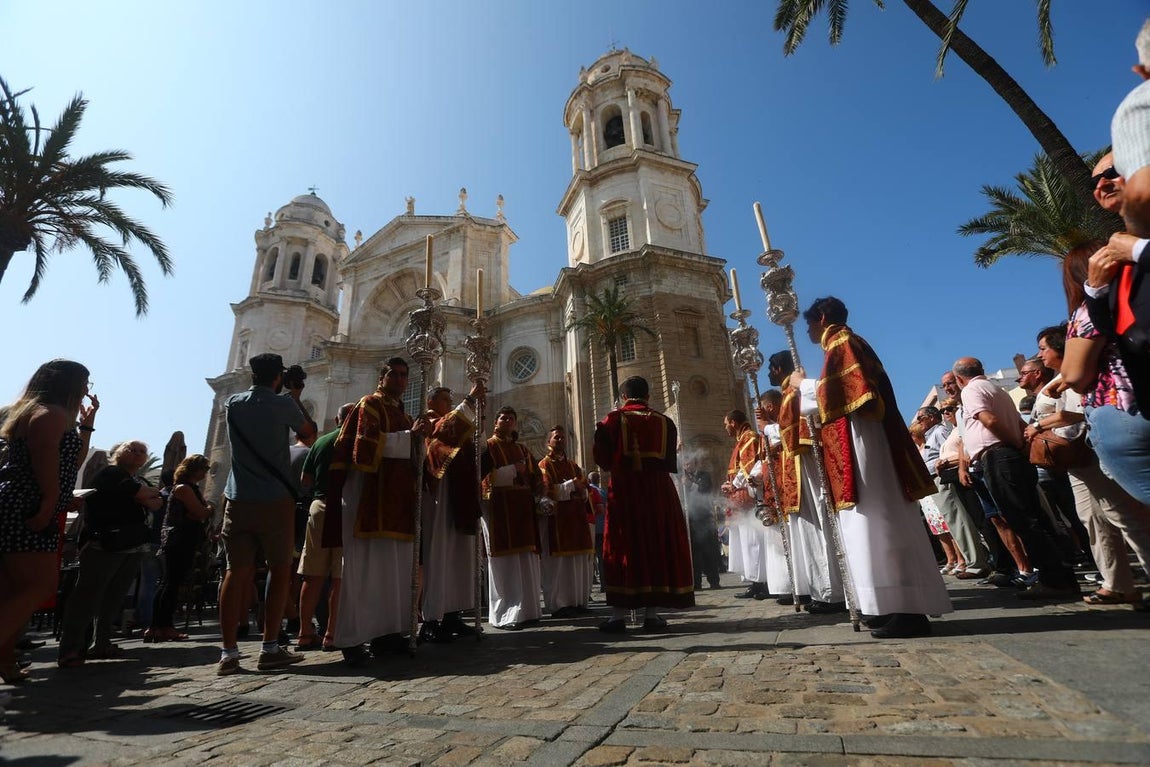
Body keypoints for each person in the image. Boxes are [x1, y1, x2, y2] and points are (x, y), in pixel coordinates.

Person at [797, 298, 952, 638]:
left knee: (878, 524)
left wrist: (802, 387)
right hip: (854, 444)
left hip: (865, 446)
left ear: (822, 318)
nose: (807, 331)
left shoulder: (843, 342)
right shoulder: (841, 345)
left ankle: (907, 610)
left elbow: (850, 392)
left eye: (808, 324)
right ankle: (885, 606)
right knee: (866, 529)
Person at [216, 353, 317, 676]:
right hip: (275, 499)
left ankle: (228, 653)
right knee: (279, 570)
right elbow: (308, 435)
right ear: (279, 377)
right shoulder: (283, 404)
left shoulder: (233, 403)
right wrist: (295, 398)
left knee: (235, 573)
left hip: (237, 497)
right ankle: (270, 647)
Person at [326, 358, 428, 664]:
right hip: (370, 502)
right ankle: (352, 638)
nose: (399, 379)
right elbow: (365, 451)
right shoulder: (369, 405)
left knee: (395, 574)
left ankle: (389, 634)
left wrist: (419, 440)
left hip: (398, 503)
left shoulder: (402, 414)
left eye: (403, 375)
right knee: (365, 574)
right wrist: (411, 437)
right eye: (393, 374)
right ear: (381, 377)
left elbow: (414, 459)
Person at [953, 356, 1079, 600]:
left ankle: (1053, 579)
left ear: (959, 379)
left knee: (1022, 519)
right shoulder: (995, 389)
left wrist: (1014, 443)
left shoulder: (971, 390)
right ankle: (1062, 577)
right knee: (1035, 517)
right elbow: (1018, 421)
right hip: (1010, 456)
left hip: (1000, 456)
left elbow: (989, 420)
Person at [0, 360, 94, 684]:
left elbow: (71, 460)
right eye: (84, 383)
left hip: (22, 502)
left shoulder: (38, 412)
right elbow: (45, 458)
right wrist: (50, 502)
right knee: (39, 585)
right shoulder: (51, 414)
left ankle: (7, 659)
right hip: (30, 504)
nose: (87, 389)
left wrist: (87, 426)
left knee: (14, 588)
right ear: (68, 384)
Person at [593, 376, 694, 632]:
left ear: (623, 397)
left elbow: (602, 459)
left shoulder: (612, 420)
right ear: (648, 397)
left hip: (625, 492)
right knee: (655, 544)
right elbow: (670, 461)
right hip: (659, 492)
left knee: (622, 546)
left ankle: (618, 616)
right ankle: (652, 614)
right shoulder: (666, 422)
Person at [58, 440, 163, 666]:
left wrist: (143, 495)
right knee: (87, 596)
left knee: (113, 598)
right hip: (103, 544)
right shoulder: (111, 474)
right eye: (131, 449)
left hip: (132, 546)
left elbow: (156, 502)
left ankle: (102, 643)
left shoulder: (136, 480)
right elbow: (148, 496)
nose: (137, 453)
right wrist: (144, 495)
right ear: (116, 453)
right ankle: (71, 649)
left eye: (142, 451)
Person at [420, 385, 482, 642]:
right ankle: (432, 619)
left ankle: (453, 614)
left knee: (459, 558)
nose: (450, 402)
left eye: (452, 399)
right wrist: (469, 400)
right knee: (439, 554)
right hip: (440, 495)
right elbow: (444, 433)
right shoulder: (427, 423)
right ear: (432, 401)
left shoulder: (452, 420)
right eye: (446, 398)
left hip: (460, 496)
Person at [294, 403, 354, 651]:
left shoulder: (319, 442)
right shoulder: (354, 441)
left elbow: (304, 480)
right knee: (339, 576)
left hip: (319, 506)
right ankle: (331, 633)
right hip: (344, 507)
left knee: (313, 574)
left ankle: (305, 632)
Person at [480, 406, 543, 630]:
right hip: (499, 509)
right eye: (503, 418)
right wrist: (512, 470)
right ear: (496, 422)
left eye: (511, 418)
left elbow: (536, 476)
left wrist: (537, 489)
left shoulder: (523, 450)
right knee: (504, 563)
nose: (507, 421)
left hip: (523, 510)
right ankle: (505, 614)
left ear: (515, 424)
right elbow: (484, 477)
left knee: (525, 559)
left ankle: (528, 610)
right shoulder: (487, 447)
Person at [146, 454, 213, 642]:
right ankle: (163, 626)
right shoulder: (184, 488)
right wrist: (209, 509)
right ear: (195, 469)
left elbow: (197, 513)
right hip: (179, 541)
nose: (206, 473)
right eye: (204, 469)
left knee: (169, 583)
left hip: (181, 540)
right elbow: (201, 512)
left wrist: (200, 512)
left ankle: (157, 626)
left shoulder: (188, 488)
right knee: (171, 584)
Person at [537, 425, 594, 618]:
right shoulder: (544, 465)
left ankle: (577, 601)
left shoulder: (573, 465)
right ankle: (560, 605)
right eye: (556, 438)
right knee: (559, 566)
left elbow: (585, 488)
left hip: (576, 519)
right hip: (558, 522)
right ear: (548, 442)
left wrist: (583, 491)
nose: (560, 440)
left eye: (562, 437)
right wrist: (571, 485)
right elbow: (545, 491)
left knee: (576, 563)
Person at [720, 410, 768, 600]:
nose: (725, 428)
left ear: (733, 422)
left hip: (747, 499)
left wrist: (733, 484)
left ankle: (760, 583)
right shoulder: (742, 439)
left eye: (725, 424)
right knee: (746, 541)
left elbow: (747, 467)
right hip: (739, 497)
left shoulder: (749, 437)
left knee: (752, 540)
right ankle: (755, 581)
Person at [682, 458, 720, 590]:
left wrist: (690, 484)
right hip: (690, 519)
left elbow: (704, 489)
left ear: (695, 464)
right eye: (685, 464)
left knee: (709, 551)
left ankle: (714, 581)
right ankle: (696, 582)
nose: (687, 466)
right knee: (694, 554)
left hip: (704, 517)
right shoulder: (682, 478)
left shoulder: (703, 475)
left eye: (689, 463)